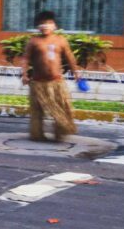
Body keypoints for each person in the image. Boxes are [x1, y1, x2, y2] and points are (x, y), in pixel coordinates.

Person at [19, 10, 81, 142]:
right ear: (38, 26)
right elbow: (25, 59)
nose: (45, 26)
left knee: (61, 108)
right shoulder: (33, 41)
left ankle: (60, 133)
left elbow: (70, 57)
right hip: (38, 83)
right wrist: (24, 74)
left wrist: (76, 73)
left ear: (55, 26)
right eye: (42, 23)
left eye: (48, 23)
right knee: (37, 111)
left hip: (56, 82)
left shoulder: (61, 40)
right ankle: (37, 134)